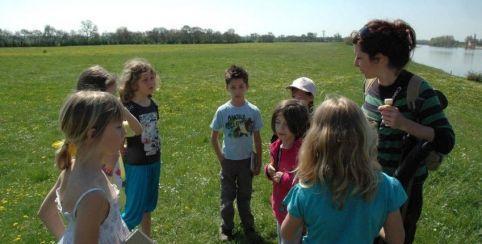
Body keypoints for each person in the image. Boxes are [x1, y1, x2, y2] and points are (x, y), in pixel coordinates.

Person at [352, 19, 455, 243]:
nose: (355, 63)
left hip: (405, 190)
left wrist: (405, 124)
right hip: (371, 182)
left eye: (359, 57)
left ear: (380, 59)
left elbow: (446, 139)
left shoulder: (418, 90)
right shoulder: (370, 86)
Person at [281, 96, 407, 244]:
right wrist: (374, 223)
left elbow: (287, 234)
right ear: (366, 138)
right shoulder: (387, 187)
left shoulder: (306, 189)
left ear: (315, 143)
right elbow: (397, 240)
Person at [38, 91, 130, 243]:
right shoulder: (93, 197)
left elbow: (46, 213)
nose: (124, 132)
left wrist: (66, 239)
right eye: (119, 127)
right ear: (92, 134)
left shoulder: (71, 168)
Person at [210, 64, 263, 242]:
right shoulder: (223, 111)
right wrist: (221, 159)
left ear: (247, 87)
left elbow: (257, 139)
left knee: (245, 197)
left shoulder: (253, 111)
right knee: (227, 198)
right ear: (227, 88)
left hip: (246, 162)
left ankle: (249, 227)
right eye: (233, 87)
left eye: (241, 86)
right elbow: (214, 137)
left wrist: (258, 161)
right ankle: (226, 229)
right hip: (229, 162)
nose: (237, 90)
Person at [76, 65, 143, 188]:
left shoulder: (112, 122)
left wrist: (122, 109)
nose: (114, 100)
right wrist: (111, 157)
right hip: (96, 183)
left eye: (114, 95)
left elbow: (138, 129)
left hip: (112, 181)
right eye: (109, 96)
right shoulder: (87, 128)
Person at [119, 58, 161, 237]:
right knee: (133, 212)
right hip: (136, 164)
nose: (151, 82)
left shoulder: (152, 104)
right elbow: (122, 137)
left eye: (152, 78)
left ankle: (146, 239)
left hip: (154, 160)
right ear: (133, 84)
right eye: (145, 79)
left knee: (148, 206)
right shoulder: (127, 109)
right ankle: (113, 237)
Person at [264, 99, 309, 244]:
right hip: (280, 206)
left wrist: (283, 178)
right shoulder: (277, 146)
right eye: (278, 122)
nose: (280, 128)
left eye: (286, 124)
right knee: (282, 237)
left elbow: (303, 182)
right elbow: (273, 165)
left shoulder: (301, 151)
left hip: (294, 212)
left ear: (297, 126)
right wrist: (269, 170)